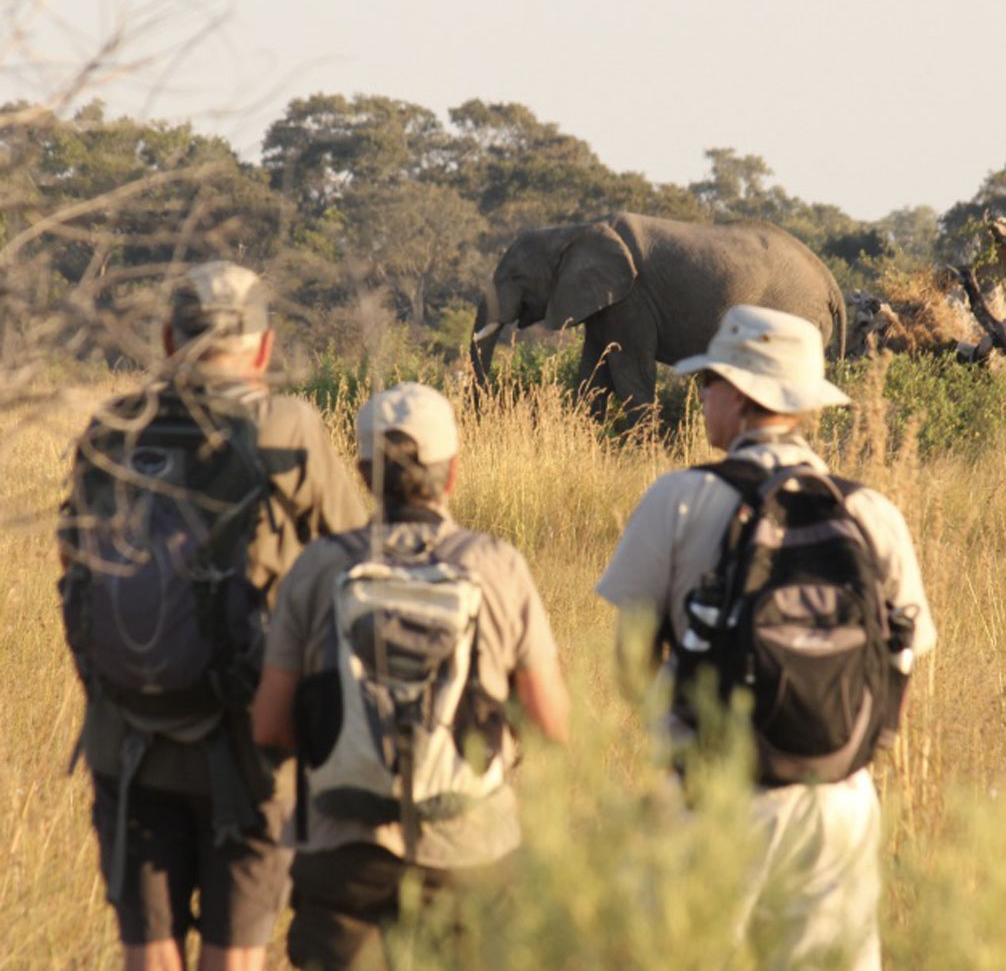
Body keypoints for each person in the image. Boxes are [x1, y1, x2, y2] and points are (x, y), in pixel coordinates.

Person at [595, 304, 936, 971]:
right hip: (840, 800)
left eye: (708, 381)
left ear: (740, 396)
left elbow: (630, 664)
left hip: (712, 793)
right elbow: (902, 665)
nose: (702, 396)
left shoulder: (678, 500)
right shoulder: (871, 512)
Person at [59, 261, 368, 971]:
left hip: (125, 738)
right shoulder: (288, 425)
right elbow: (358, 562)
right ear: (263, 348)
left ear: (170, 338)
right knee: (235, 955)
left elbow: (74, 579)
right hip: (249, 744)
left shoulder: (111, 430)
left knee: (148, 953)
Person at [252, 381, 569, 971]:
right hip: (470, 850)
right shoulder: (497, 566)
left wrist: (348, 746)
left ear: (363, 472)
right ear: (451, 473)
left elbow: (269, 726)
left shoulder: (319, 567)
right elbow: (552, 724)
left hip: (343, 851)